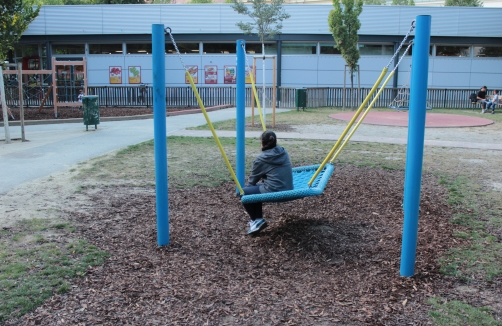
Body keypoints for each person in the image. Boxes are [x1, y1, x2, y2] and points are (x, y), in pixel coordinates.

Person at [242, 131, 293, 235]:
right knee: (255, 190)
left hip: (275, 190)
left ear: (262, 143)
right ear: (275, 142)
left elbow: (252, 181)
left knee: (244, 193)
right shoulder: (283, 151)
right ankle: (258, 220)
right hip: (288, 187)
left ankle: (255, 219)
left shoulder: (261, 159)